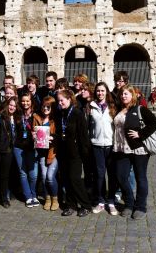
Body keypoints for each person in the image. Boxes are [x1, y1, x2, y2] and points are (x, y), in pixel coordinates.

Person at [113, 84, 156, 220]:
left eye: (126, 94)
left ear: (132, 95)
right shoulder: (119, 109)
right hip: (122, 149)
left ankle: (140, 206)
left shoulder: (140, 109)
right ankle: (129, 203)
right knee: (121, 176)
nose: (123, 96)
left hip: (139, 149)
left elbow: (155, 123)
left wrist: (141, 134)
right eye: (122, 94)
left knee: (140, 177)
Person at [56, 89, 91, 217]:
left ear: (69, 99)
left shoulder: (77, 113)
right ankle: (71, 205)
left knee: (75, 178)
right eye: (59, 101)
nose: (60, 103)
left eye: (62, 100)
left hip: (75, 152)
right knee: (66, 179)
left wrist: (85, 153)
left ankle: (85, 204)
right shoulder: (60, 113)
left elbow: (83, 136)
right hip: (63, 151)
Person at [89, 82, 118, 215]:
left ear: (106, 91)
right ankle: (101, 201)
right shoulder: (91, 107)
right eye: (98, 91)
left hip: (111, 145)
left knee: (112, 175)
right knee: (99, 175)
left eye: (102, 90)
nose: (100, 93)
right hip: (97, 145)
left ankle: (111, 201)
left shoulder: (113, 107)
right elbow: (89, 127)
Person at [32, 96, 59, 211]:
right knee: (43, 177)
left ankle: (55, 198)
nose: (45, 108)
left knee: (50, 177)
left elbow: (59, 136)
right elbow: (33, 131)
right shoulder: (37, 117)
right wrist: (33, 135)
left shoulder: (56, 119)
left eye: (48, 106)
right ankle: (47, 198)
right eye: (44, 106)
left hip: (53, 152)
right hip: (42, 152)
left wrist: (52, 138)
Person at [14, 92, 39, 207]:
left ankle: (34, 195)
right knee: (23, 173)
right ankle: (28, 196)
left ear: (31, 102)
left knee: (33, 174)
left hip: (32, 147)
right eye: (23, 101)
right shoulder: (17, 114)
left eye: (27, 101)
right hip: (19, 147)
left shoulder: (36, 115)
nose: (25, 103)